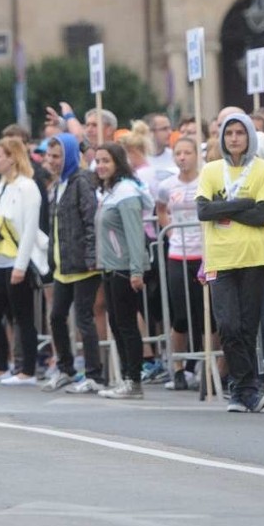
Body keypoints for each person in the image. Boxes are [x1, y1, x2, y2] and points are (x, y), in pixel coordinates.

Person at [196, 113, 264, 413]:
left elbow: (261, 216)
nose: (233, 138)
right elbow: (203, 211)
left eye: (240, 133)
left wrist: (224, 208)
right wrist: (244, 202)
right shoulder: (211, 170)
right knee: (227, 324)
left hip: (254, 257)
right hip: (220, 257)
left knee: (247, 326)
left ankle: (242, 390)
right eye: (228, 133)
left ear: (249, 137)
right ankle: (246, 388)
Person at [0, 137, 45, 387]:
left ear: (12, 157)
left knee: (22, 316)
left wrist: (21, 266)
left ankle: (28, 369)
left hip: (18, 260)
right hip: (0, 260)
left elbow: (28, 229)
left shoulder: (28, 187)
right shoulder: (0, 187)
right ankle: (1, 366)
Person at [40, 133, 104, 393]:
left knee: (84, 319)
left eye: (57, 156)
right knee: (56, 317)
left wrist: (91, 257)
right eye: (49, 156)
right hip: (62, 265)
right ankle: (65, 369)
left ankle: (94, 374)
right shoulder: (58, 185)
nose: (51, 161)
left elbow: (90, 221)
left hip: (82, 265)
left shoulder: (81, 182)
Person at [95, 142, 153, 399]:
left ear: (118, 162)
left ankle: (134, 381)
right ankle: (126, 379)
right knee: (117, 324)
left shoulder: (127, 192)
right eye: (98, 161)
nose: (100, 166)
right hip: (110, 267)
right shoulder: (111, 191)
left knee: (127, 324)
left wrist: (136, 270)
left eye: (106, 160)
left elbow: (133, 233)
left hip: (124, 267)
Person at [156, 136, 205, 391]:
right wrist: (171, 231)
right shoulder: (167, 185)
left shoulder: (205, 180)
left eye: (188, 152)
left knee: (205, 313)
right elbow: (161, 209)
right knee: (181, 315)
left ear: (197, 155)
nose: (183, 157)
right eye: (179, 153)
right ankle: (176, 368)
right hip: (177, 253)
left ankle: (205, 365)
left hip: (202, 252)